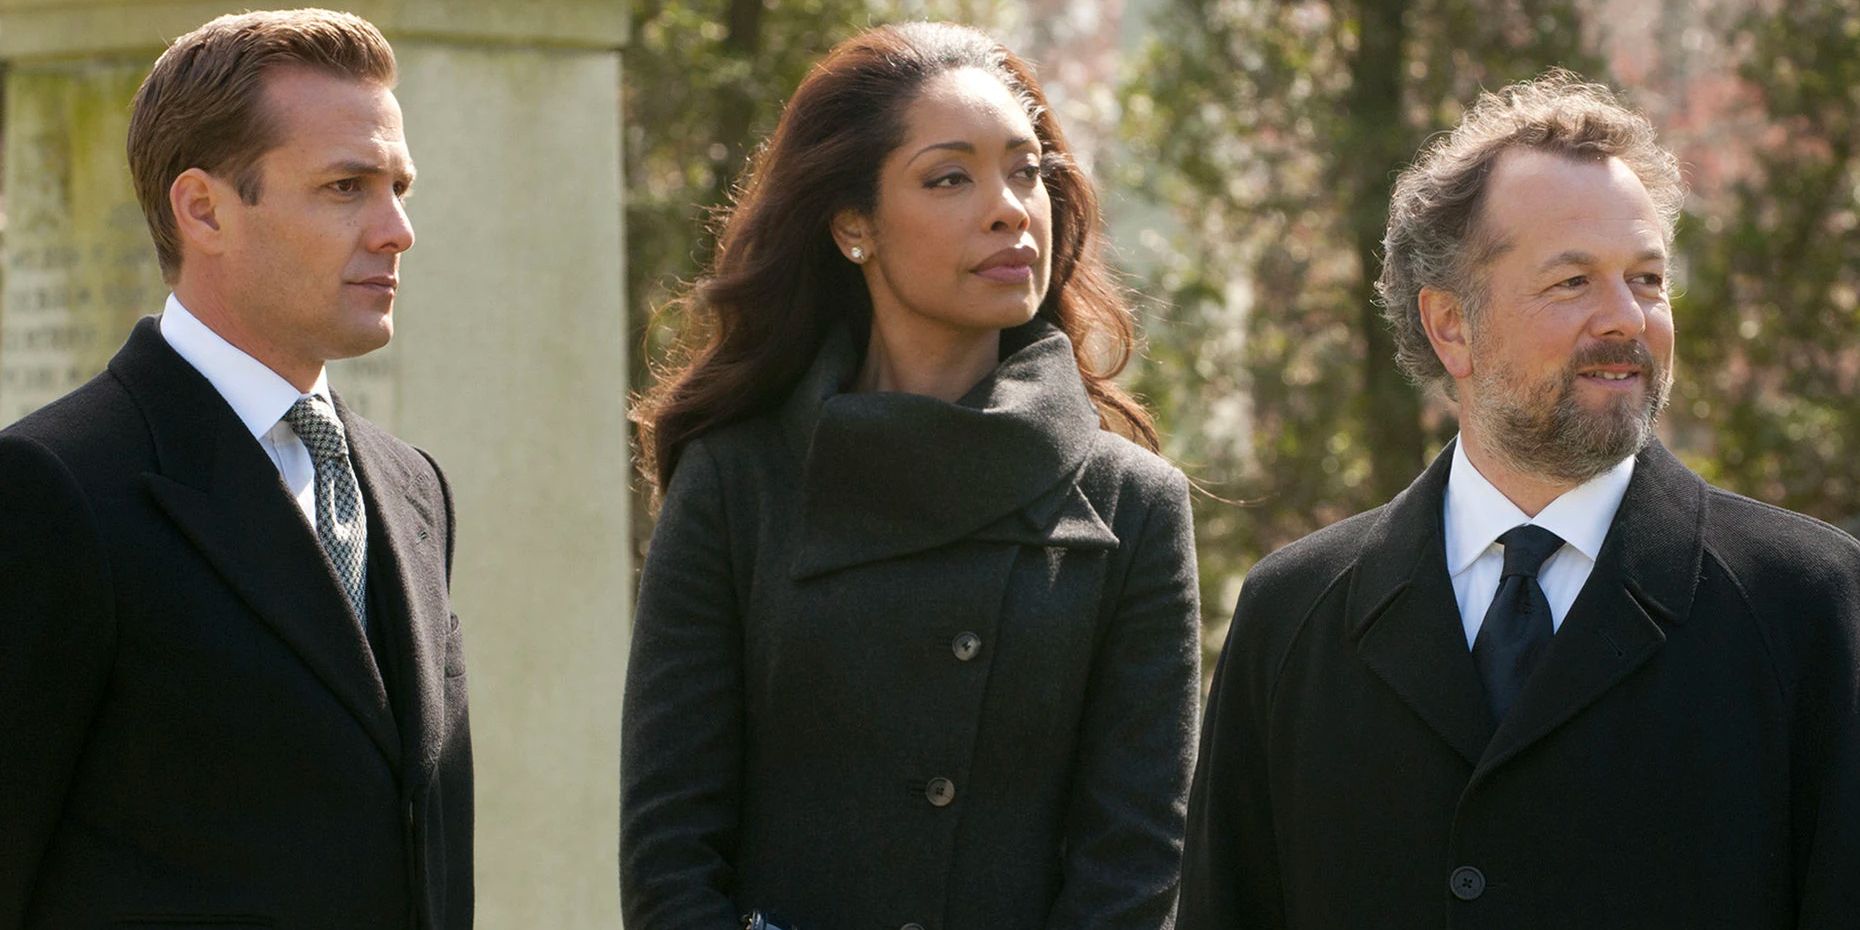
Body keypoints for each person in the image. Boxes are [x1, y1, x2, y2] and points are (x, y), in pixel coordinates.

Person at [1180, 70, 1860, 928]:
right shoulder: (1293, 616)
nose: (1627, 319)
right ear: (1451, 325)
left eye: (1647, 280)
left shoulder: (1811, 604)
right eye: (1572, 282)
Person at [621, 22, 1201, 930]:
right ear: (854, 226)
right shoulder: (739, 481)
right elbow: (671, 850)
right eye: (949, 177)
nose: (1010, 207)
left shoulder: (1133, 504)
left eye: (1027, 169)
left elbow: (1134, 866)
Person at [0, 10, 472, 928]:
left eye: (399, 186)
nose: (398, 229)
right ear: (203, 209)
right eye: (347, 187)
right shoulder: (52, 489)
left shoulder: (413, 488)